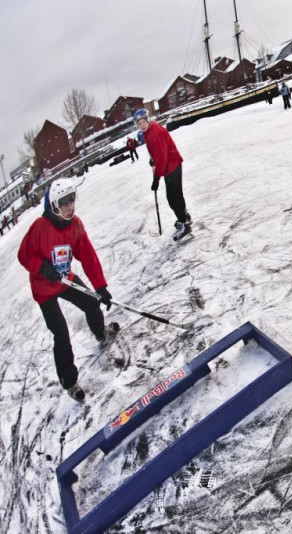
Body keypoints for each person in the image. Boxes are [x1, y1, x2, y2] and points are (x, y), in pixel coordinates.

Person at [17, 178, 118, 402]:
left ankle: (101, 331)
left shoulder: (75, 225)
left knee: (92, 302)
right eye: (64, 202)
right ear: (54, 205)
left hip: (65, 279)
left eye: (72, 200)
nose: (70, 206)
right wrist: (42, 267)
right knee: (61, 333)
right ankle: (69, 382)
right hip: (44, 288)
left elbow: (88, 257)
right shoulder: (40, 227)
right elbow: (24, 255)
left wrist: (101, 287)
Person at [133, 109, 193, 241]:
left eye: (143, 122)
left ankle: (184, 224)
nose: (142, 125)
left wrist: (156, 179)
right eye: (139, 124)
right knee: (175, 195)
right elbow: (159, 152)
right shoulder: (150, 129)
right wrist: (153, 158)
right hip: (171, 165)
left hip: (171, 166)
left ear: (147, 120)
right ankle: (184, 216)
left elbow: (162, 158)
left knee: (173, 197)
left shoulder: (154, 133)